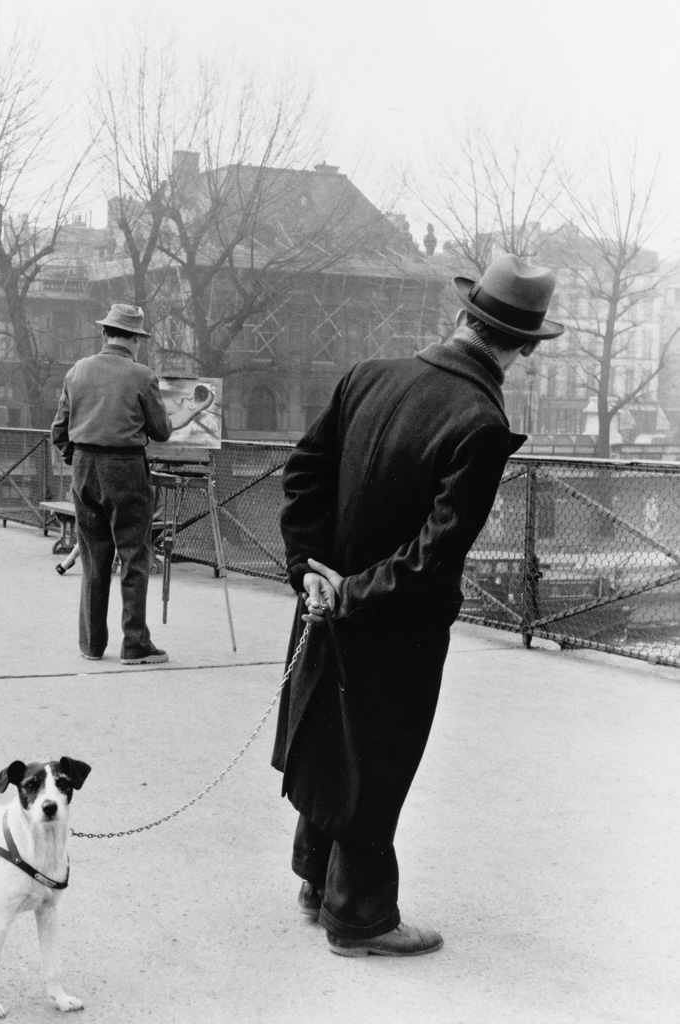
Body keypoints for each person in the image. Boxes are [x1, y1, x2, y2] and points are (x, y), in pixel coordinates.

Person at [272, 254, 565, 957]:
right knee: (380, 761)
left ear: (462, 318)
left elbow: (303, 472)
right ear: (520, 347)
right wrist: (355, 594)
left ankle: (317, 880)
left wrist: (309, 572)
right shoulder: (481, 421)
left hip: (322, 602)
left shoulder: (369, 374)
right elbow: (436, 554)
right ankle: (361, 917)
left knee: (328, 734)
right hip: (392, 627)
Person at [51, 303, 172, 664]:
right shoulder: (142, 376)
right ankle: (134, 643)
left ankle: (91, 643)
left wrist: (78, 458)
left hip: (84, 468)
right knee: (134, 555)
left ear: (105, 334)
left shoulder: (77, 372)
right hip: (126, 469)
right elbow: (162, 432)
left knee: (93, 556)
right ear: (135, 339)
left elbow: (59, 430)